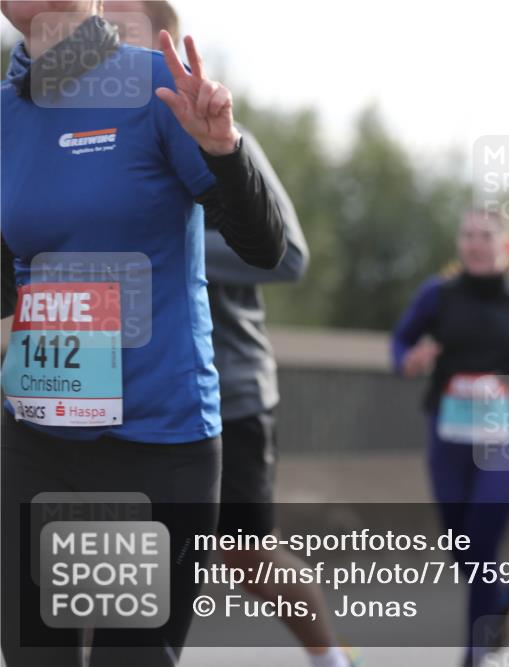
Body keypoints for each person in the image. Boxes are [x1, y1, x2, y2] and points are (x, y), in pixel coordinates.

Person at [1, 1, 287, 664]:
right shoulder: (5, 114)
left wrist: (224, 151)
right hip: (35, 440)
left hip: (153, 445)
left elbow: (265, 248)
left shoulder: (155, 85)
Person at [101, 3, 362, 665]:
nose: (101, 39)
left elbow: (291, 253)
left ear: (168, 48)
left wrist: (165, 242)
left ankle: (331, 656)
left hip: (229, 387)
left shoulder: (218, 133)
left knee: (245, 552)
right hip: (126, 388)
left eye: (120, 27)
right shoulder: (93, 142)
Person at [391, 209, 509, 667]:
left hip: (508, 432)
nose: (476, 243)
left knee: (481, 538)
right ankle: (500, 594)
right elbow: (400, 342)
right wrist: (410, 359)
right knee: (459, 544)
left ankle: (475, 652)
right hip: (451, 433)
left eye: (486, 235)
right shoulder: (437, 295)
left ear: (507, 247)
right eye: (468, 235)